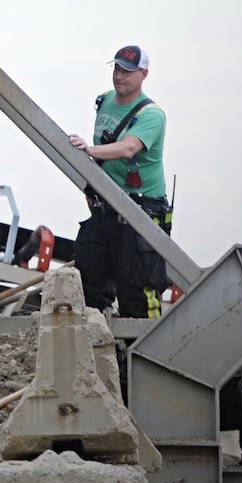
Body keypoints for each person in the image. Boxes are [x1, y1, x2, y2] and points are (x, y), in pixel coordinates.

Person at [68, 44, 170, 319]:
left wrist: (88, 150)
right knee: (89, 278)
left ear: (144, 74)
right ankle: (98, 348)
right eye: (116, 68)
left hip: (140, 212)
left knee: (137, 292)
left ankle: (142, 355)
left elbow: (127, 148)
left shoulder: (152, 115)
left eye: (127, 71)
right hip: (106, 208)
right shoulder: (104, 100)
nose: (119, 75)